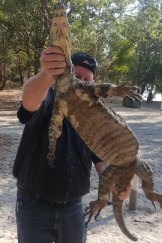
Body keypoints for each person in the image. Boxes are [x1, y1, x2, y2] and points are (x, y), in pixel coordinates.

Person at [13, 46, 131, 243]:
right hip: (33, 206)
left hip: (73, 208)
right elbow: (28, 103)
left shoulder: (94, 119)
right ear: (66, 75)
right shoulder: (48, 96)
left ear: (92, 83)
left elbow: (101, 161)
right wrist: (46, 73)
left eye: (87, 79)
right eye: (76, 75)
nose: (81, 82)